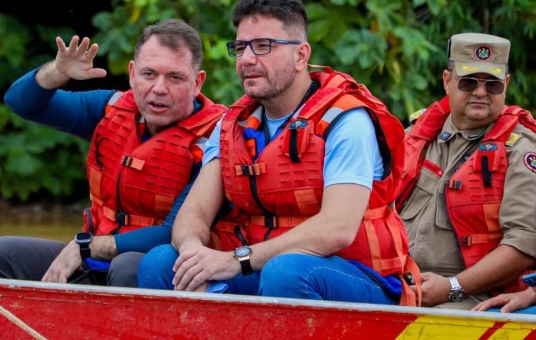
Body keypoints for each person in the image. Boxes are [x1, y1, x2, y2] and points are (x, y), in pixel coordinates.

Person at [138, 0, 420, 306]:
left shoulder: (347, 120)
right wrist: (194, 253)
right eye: (241, 47)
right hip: (260, 266)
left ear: (301, 55)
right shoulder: (230, 124)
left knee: (285, 272)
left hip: (354, 276)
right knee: (163, 261)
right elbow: (194, 213)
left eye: (263, 46)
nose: (246, 59)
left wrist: (236, 260)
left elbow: (337, 229)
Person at [0, 19, 227, 287]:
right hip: (94, 254)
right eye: (149, 74)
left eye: (175, 77)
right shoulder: (110, 108)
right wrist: (58, 71)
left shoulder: (217, 138)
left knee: (129, 266)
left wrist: (85, 246)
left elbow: (175, 233)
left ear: (197, 82)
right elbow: (21, 103)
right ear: (132, 74)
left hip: (155, 266)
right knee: (1, 254)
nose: (159, 88)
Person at [395, 33, 536, 309]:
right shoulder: (415, 138)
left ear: (506, 85)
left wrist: (452, 287)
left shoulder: (522, 151)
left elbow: (525, 245)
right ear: (447, 81)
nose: (480, 92)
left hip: (473, 295)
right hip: (396, 281)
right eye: (468, 82)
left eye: (492, 85)